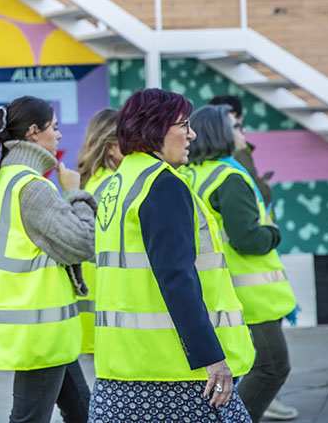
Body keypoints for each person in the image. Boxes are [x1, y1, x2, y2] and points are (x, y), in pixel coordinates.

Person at [90, 88, 255, 423]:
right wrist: (212, 357)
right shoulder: (161, 185)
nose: (191, 134)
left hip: (121, 367)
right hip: (176, 371)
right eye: (183, 125)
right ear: (155, 129)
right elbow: (177, 277)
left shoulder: (119, 182)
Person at [0, 96, 95, 423]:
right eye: (54, 128)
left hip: (41, 329)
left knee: (83, 411)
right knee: (30, 419)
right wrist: (75, 193)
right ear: (32, 132)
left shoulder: (5, 180)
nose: (59, 136)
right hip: (42, 332)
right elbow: (84, 243)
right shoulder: (32, 187)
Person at [184, 105, 297, 423]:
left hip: (221, 292)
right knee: (272, 368)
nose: (241, 134)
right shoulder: (229, 177)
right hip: (252, 298)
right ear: (220, 133)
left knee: (236, 373)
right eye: (235, 127)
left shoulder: (191, 173)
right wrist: (273, 233)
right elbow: (248, 240)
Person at [75, 107, 123, 356]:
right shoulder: (113, 186)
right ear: (110, 146)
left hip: (92, 303)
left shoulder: (91, 181)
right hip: (107, 302)